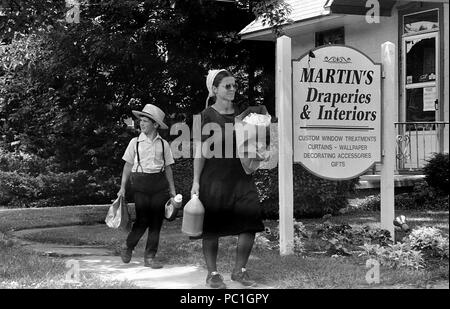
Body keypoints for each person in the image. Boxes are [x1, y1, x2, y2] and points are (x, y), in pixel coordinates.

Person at [190, 69, 265, 289]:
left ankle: (239, 270)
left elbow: (255, 145)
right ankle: (212, 273)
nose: (233, 89)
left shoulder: (244, 115)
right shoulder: (202, 117)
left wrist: (259, 151)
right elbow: (199, 152)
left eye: (234, 85)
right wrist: (196, 181)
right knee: (212, 227)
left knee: (250, 222)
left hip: (242, 178)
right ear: (214, 90)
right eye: (227, 86)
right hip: (213, 179)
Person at [117, 103, 177, 269]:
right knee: (143, 220)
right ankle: (128, 246)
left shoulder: (163, 144)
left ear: (155, 124)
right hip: (140, 185)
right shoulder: (135, 142)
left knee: (156, 222)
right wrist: (122, 187)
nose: (141, 124)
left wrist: (172, 190)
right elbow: (127, 166)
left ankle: (150, 257)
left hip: (159, 186)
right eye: (140, 120)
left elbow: (168, 168)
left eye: (145, 121)